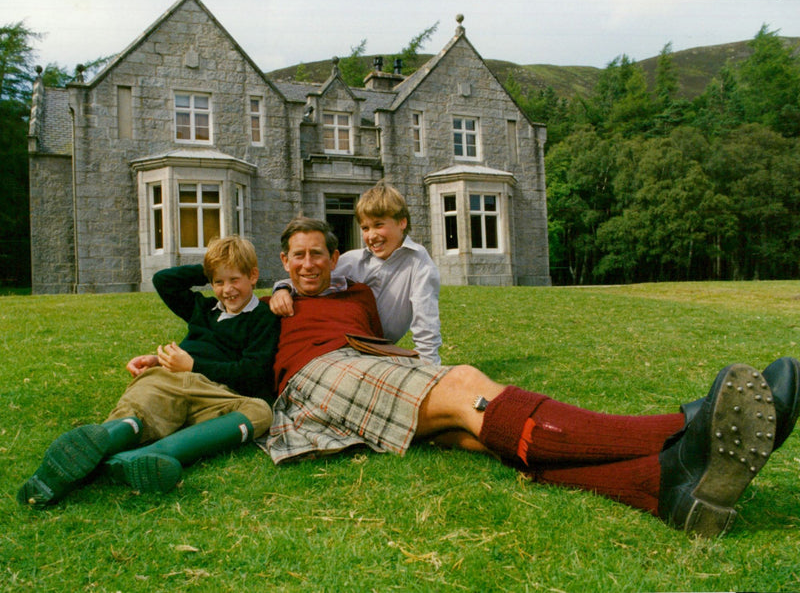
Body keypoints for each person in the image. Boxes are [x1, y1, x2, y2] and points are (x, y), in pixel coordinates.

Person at [260, 217, 800, 537]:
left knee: (476, 430)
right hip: (318, 375)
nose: (308, 264)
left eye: (317, 254)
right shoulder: (268, 306)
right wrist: (270, 296)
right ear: (283, 260)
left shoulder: (357, 293)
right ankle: (681, 428)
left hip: (374, 362)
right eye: (296, 257)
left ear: (337, 257)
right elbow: (204, 300)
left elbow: (390, 314)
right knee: (465, 385)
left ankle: (664, 489)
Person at [18, 235, 279, 505]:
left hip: (215, 395)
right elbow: (164, 281)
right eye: (218, 282)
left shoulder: (263, 316)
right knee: (139, 411)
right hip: (171, 378)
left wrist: (194, 365)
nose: (227, 290)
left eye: (234, 279)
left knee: (260, 412)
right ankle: (90, 452)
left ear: (253, 276)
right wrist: (212, 268)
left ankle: (143, 457)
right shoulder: (202, 308)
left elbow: (254, 372)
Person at [270, 181, 441, 364]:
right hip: (341, 341)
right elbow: (311, 277)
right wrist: (282, 288)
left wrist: (429, 367)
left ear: (402, 222)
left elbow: (426, 325)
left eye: (378, 225)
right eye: (365, 228)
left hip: (377, 346)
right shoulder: (353, 260)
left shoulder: (419, 264)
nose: (371, 235)